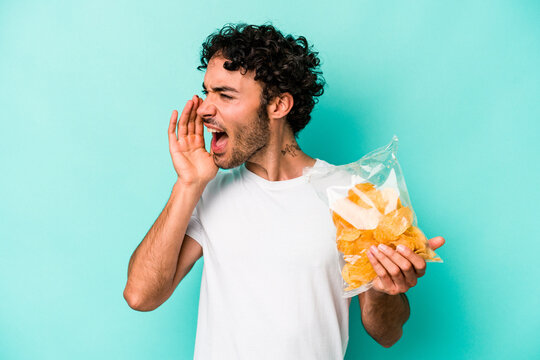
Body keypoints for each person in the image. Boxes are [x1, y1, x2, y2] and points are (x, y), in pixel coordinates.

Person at [123, 23, 445, 359]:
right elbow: (140, 296)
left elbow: (388, 333)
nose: (205, 108)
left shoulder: (351, 194)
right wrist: (188, 183)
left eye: (225, 95)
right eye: (206, 92)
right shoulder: (207, 193)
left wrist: (383, 290)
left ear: (278, 105)